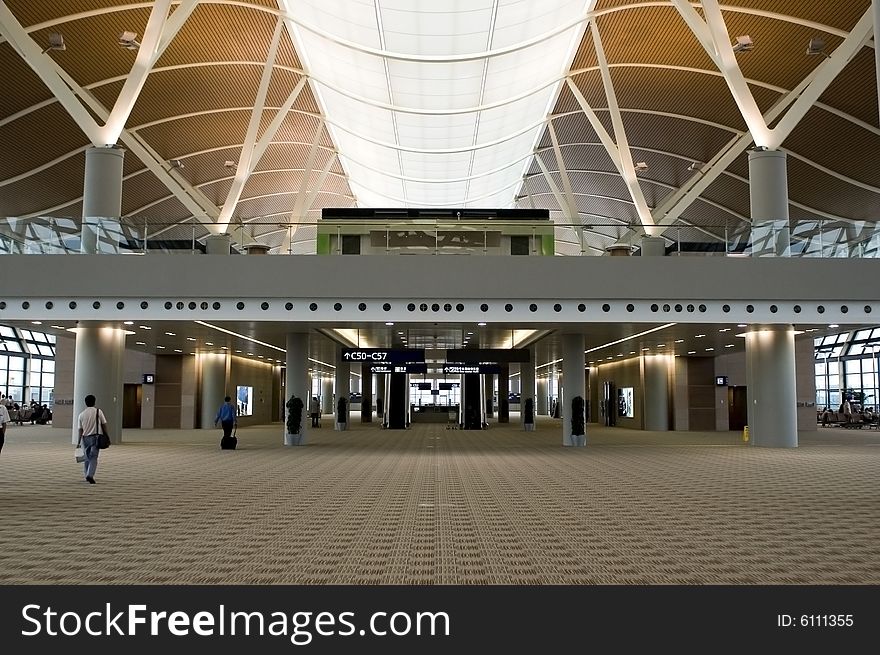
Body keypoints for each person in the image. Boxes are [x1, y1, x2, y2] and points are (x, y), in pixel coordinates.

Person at [77, 394, 108, 484]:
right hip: (96, 437)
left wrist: (79, 441)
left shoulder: (81, 414)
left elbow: (80, 429)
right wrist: (106, 434)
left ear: (85, 403)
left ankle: (86, 474)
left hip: (85, 438)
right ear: (94, 402)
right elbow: (104, 424)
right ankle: (90, 475)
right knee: (94, 457)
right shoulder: (98, 412)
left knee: (86, 457)